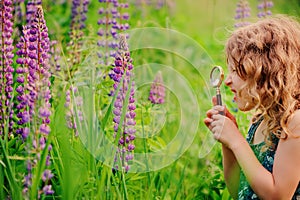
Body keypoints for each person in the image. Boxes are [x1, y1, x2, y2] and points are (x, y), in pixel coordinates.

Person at [204, 15, 300, 200]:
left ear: (265, 72)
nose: (228, 81)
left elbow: (277, 196)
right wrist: (228, 144)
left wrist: (236, 140)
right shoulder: (260, 121)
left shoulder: (295, 122)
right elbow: (239, 190)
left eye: (236, 70)